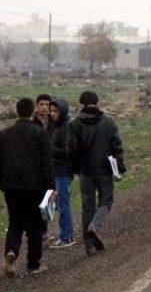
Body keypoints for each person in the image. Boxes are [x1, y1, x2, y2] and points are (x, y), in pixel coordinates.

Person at [0, 98, 53, 277]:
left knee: (15, 222)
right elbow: (47, 162)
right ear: (32, 111)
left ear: (17, 111)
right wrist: (50, 187)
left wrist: (2, 183)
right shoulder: (39, 133)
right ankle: (33, 264)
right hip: (35, 187)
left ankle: (11, 251)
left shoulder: (4, 134)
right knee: (35, 225)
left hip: (11, 187)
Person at [69, 91, 126, 257]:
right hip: (104, 168)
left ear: (82, 103)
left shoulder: (74, 124)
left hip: (85, 171)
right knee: (106, 200)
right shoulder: (108, 122)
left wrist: (74, 169)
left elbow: (71, 149)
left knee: (88, 205)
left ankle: (89, 246)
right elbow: (117, 145)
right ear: (97, 101)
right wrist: (120, 166)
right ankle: (95, 226)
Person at [49, 99, 75, 249]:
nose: (53, 114)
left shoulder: (66, 128)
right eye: (52, 111)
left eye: (56, 111)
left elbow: (68, 151)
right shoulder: (55, 127)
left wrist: (49, 151)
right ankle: (64, 234)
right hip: (56, 170)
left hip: (63, 171)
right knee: (58, 204)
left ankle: (67, 236)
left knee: (63, 204)